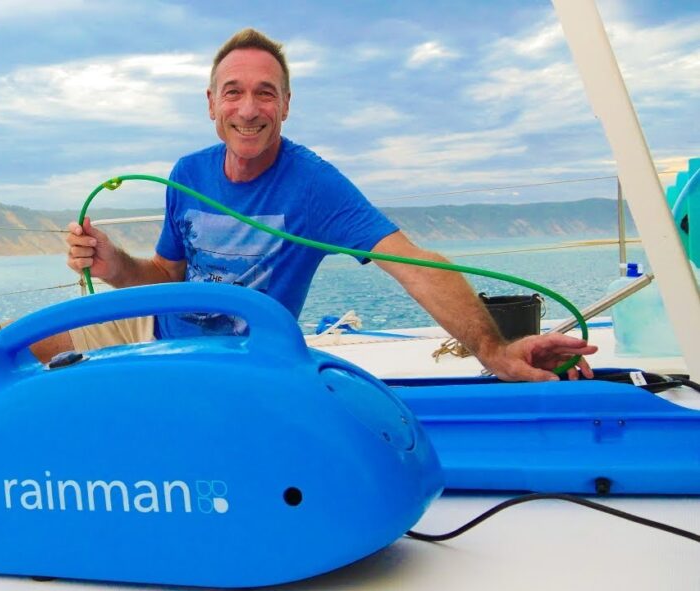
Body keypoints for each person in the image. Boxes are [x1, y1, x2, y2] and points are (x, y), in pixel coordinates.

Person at [34, 28, 596, 382]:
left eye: (265, 93)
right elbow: (163, 277)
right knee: (16, 346)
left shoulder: (313, 185)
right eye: (233, 91)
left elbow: (417, 266)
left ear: (285, 106)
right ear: (211, 104)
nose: (248, 108)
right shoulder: (188, 174)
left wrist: (495, 351)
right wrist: (112, 266)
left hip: (243, 365)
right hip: (156, 336)